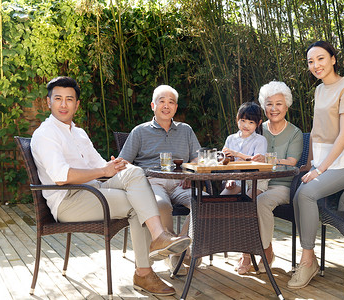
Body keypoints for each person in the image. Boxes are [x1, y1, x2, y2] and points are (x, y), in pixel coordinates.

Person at [31, 76, 192, 296]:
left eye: (69, 99)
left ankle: (157, 241)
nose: (63, 104)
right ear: (47, 102)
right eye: (58, 98)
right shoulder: (45, 134)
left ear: (77, 104)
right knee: (139, 204)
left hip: (93, 190)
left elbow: (99, 166)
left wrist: (114, 166)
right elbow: (61, 177)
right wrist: (103, 171)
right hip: (69, 201)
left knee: (134, 171)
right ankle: (145, 270)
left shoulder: (78, 133)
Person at [287, 41, 344, 289]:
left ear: (333, 59)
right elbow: (315, 131)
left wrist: (319, 170)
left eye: (321, 59)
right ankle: (308, 258)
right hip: (326, 158)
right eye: (311, 61)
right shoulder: (319, 90)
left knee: (307, 194)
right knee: (297, 193)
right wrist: (310, 162)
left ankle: (308, 260)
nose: (316, 65)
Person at [118, 84, 202, 276]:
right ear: (152, 105)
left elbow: (198, 158)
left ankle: (177, 248)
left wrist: (190, 173)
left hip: (182, 182)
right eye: (162, 101)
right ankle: (171, 247)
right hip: (153, 183)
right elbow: (124, 162)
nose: (166, 105)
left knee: (203, 202)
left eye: (171, 102)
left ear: (176, 107)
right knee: (160, 205)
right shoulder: (140, 131)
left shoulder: (186, 130)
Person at [235, 81, 303, 275]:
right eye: (269, 104)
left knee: (260, 201)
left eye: (279, 104)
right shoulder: (255, 127)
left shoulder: (295, 133)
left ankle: (266, 251)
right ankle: (246, 253)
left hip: (282, 185)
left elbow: (292, 161)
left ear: (287, 105)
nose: (274, 109)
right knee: (242, 199)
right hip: (254, 181)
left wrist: (269, 159)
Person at [221, 101, 268, 197]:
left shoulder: (260, 140)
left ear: (258, 123)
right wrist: (229, 178)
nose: (246, 125)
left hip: (256, 180)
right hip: (237, 179)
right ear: (237, 119)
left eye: (251, 122)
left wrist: (236, 154)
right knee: (221, 201)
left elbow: (256, 162)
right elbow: (224, 163)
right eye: (243, 121)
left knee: (247, 204)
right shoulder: (230, 139)